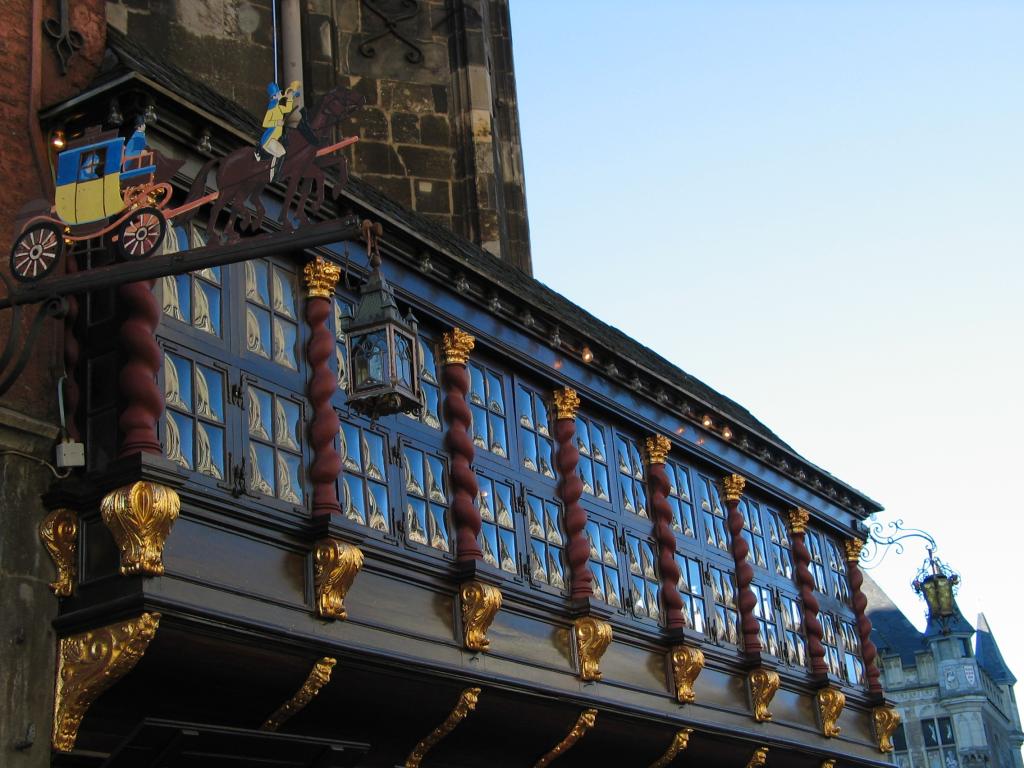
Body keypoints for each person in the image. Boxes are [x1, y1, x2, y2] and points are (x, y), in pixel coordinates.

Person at [260, 80, 301, 182]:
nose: (280, 94)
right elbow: (265, 123)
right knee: (282, 153)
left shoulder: (278, 107)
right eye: (278, 93)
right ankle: (275, 175)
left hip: (275, 139)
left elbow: (287, 109)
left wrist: (290, 98)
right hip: (269, 140)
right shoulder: (271, 108)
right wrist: (276, 123)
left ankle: (276, 172)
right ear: (273, 96)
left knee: (285, 149)